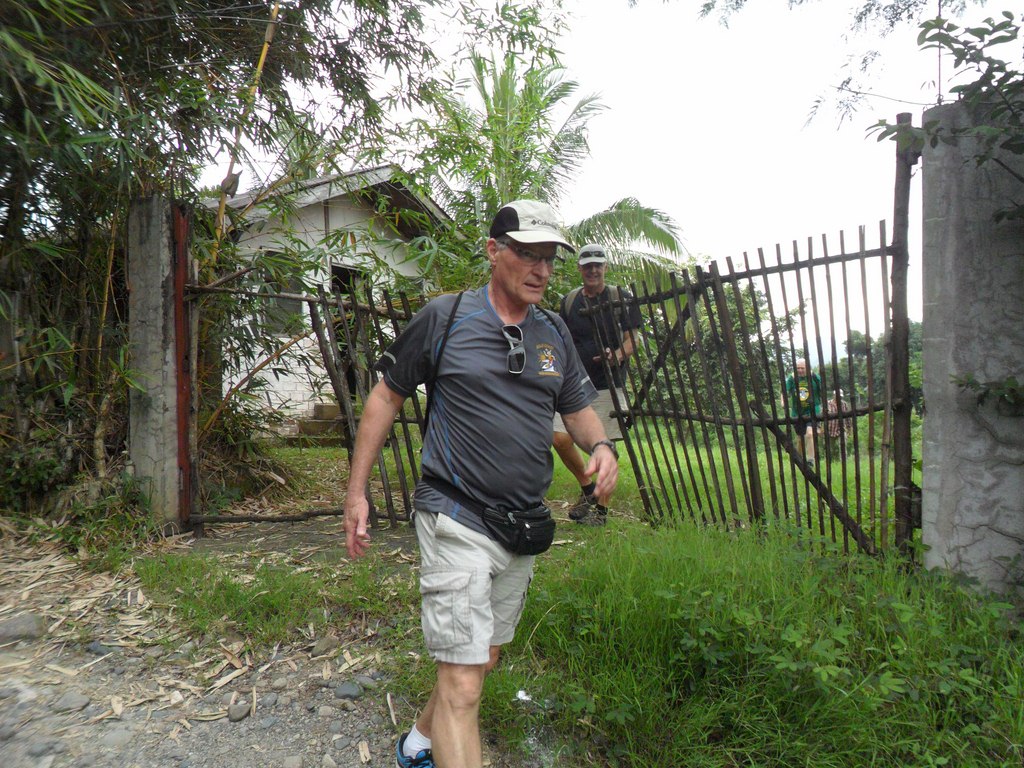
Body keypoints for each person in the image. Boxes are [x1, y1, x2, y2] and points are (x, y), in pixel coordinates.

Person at [342, 200, 619, 768]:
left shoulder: (553, 332)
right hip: (455, 514)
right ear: (494, 251)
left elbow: (577, 410)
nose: (541, 269)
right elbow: (386, 397)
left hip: (520, 525)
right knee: (464, 683)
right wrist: (356, 491)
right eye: (528, 254)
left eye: (549, 258)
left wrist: (602, 447)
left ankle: (416, 745)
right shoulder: (446, 318)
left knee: (481, 660)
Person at [552, 243, 641, 526]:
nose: (593, 270)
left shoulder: (621, 298)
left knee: (603, 446)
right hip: (574, 383)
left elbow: (633, 340)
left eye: (597, 265)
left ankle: (601, 512)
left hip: (607, 383)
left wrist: (617, 356)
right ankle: (588, 487)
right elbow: (562, 340)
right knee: (558, 437)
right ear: (579, 268)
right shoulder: (570, 302)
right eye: (587, 266)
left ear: (605, 267)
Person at [783, 358, 823, 467]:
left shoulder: (814, 377)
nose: (800, 370)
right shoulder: (792, 378)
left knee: (809, 434)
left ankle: (810, 460)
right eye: (798, 368)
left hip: (813, 411)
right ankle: (799, 460)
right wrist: (783, 401)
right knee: (800, 439)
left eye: (802, 368)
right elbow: (784, 391)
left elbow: (822, 388)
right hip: (797, 413)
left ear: (807, 368)